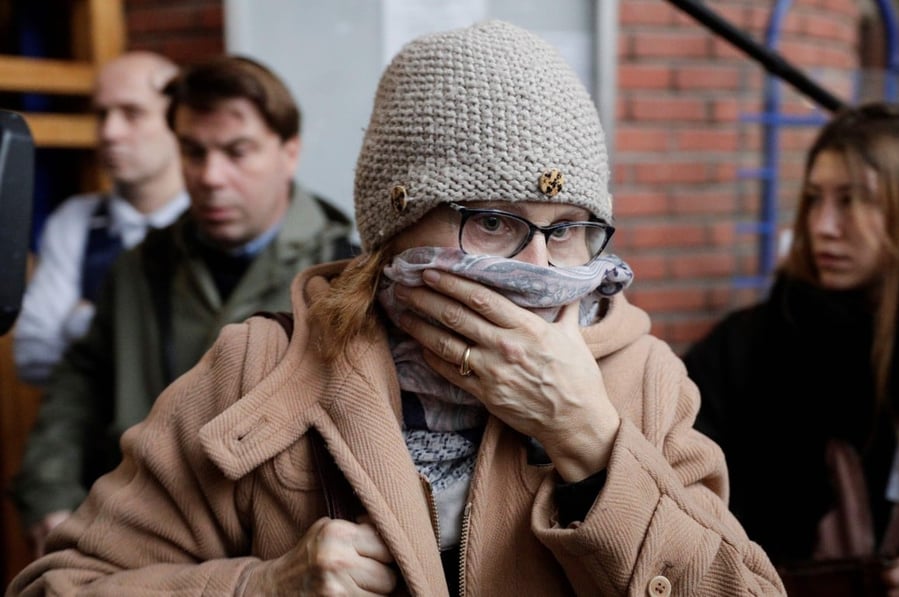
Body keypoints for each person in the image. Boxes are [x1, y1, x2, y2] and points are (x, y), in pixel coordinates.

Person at [7, 21, 782, 595]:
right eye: (493, 222)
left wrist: (593, 442)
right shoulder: (259, 368)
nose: (541, 269)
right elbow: (58, 586)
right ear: (392, 229)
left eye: (570, 229)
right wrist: (265, 586)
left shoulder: (643, 382)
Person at [11, 54, 357, 559]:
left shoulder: (343, 273)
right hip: (144, 544)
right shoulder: (139, 268)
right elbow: (79, 382)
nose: (211, 176)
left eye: (238, 152)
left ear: (289, 152)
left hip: (287, 558)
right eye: (194, 152)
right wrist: (50, 494)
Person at [684, 101, 899, 596]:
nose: (823, 226)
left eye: (852, 200)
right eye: (815, 198)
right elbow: (678, 479)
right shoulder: (752, 344)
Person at [13, 51, 189, 386]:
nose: (110, 132)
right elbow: (33, 358)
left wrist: (80, 321)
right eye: (102, 114)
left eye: (132, 113)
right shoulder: (74, 220)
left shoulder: (214, 219)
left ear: (178, 119)